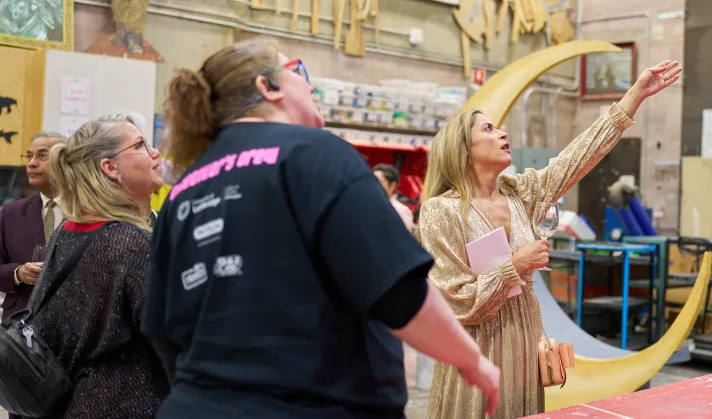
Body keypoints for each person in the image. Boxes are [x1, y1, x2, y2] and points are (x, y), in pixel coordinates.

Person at [143, 39, 500, 418]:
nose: (309, 84)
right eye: (298, 71)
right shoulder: (316, 153)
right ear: (268, 86)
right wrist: (472, 360)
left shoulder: (182, 193)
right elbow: (399, 293)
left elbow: (162, 333)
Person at [419, 59, 682, 418]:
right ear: (463, 150)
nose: (502, 133)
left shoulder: (520, 193)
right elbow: (456, 303)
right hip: (475, 346)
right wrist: (514, 266)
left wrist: (634, 96)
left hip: (523, 340)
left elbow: (578, 157)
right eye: (489, 129)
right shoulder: (441, 210)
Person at [30, 115, 167, 418]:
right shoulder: (132, 243)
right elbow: (172, 338)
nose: (155, 152)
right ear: (110, 167)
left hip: (69, 403)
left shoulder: (66, 231)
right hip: (126, 405)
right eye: (141, 145)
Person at [0, 131, 66, 321]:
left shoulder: (86, 211)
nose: (31, 163)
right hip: (20, 321)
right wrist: (18, 273)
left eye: (42, 155)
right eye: (29, 156)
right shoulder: (12, 212)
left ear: (65, 161)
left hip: (70, 319)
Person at [373, 163, 414, 232]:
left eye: (378, 181)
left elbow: (402, 237)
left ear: (392, 185)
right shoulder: (366, 205)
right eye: (372, 180)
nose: (373, 184)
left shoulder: (401, 211)